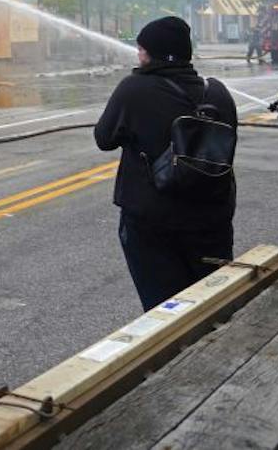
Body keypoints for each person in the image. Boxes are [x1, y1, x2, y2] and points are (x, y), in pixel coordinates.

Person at [94, 16, 237, 311]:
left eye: (142, 49)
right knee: (214, 305)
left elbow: (104, 138)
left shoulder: (134, 88)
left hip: (152, 222)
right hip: (213, 219)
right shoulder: (217, 92)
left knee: (165, 311)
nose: (138, 55)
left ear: (152, 53)